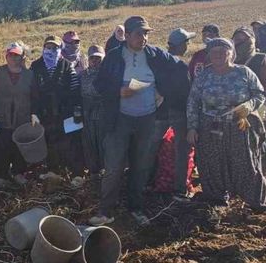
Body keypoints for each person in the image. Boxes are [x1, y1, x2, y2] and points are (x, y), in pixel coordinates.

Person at [89, 16, 189, 227]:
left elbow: (180, 69)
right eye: (139, 33)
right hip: (119, 119)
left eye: (146, 33)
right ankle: (106, 211)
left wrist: (163, 93)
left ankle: (136, 207)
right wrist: (118, 91)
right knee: (114, 166)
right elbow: (99, 84)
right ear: (127, 35)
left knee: (141, 165)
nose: (143, 38)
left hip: (147, 119)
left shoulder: (155, 54)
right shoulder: (114, 57)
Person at [186, 38, 266, 215]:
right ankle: (217, 198)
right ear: (209, 55)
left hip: (239, 124)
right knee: (211, 163)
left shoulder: (244, 72)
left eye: (223, 50)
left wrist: (248, 107)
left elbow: (259, 96)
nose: (218, 54)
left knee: (245, 163)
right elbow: (193, 102)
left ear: (231, 53)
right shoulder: (204, 75)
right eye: (214, 51)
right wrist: (192, 127)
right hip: (209, 124)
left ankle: (260, 202)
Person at [0, 43, 39, 188]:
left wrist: (34, 114)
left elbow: (35, 97)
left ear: (22, 57)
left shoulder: (30, 75)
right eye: (11, 55)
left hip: (22, 119)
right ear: (6, 56)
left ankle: (18, 173)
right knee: (1, 148)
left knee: (19, 148)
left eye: (17, 55)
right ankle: (1, 176)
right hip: (1, 119)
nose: (13, 58)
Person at [31, 35, 85, 185]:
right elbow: (33, 92)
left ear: (60, 48)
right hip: (45, 112)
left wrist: (77, 111)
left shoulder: (66, 65)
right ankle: (53, 171)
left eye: (55, 47)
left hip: (65, 111)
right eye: (48, 47)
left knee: (71, 143)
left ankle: (77, 174)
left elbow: (75, 89)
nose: (51, 50)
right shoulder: (36, 66)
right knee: (50, 141)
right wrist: (34, 112)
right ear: (43, 48)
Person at [151, 29, 194, 201]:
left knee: (151, 147)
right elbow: (187, 92)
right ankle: (180, 189)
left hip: (160, 110)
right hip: (179, 111)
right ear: (181, 45)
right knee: (181, 149)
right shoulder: (181, 65)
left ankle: (146, 181)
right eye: (187, 42)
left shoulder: (159, 63)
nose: (188, 46)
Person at [232, 27, 266, 173]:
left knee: (260, 142)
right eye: (236, 39)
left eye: (243, 39)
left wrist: (252, 102)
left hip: (260, 109)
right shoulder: (231, 60)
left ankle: (261, 171)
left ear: (252, 40)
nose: (240, 42)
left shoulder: (261, 59)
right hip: (238, 109)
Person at [81, 46, 107, 174]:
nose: (95, 61)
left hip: (103, 115)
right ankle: (93, 172)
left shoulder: (109, 75)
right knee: (89, 144)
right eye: (92, 58)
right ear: (88, 59)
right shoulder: (82, 75)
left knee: (104, 144)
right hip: (87, 115)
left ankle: (105, 170)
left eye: (99, 58)